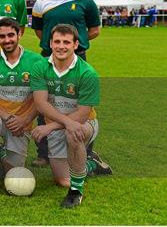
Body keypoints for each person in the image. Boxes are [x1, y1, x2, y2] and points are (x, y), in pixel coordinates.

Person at [30, 24, 112, 208]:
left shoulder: (87, 73)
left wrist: (50, 126)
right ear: (50, 43)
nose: (61, 46)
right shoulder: (40, 67)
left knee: (73, 133)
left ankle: (76, 192)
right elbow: (41, 104)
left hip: (84, 123)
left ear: (76, 45)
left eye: (66, 42)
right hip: (60, 124)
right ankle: (91, 164)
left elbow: (83, 114)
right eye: (57, 41)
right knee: (62, 180)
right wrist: (58, 124)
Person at [31, 0, 101, 167]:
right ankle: (44, 153)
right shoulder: (42, 2)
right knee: (45, 103)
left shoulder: (86, 1)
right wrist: (57, 47)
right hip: (48, 58)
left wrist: (72, 46)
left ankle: (86, 150)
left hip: (77, 57)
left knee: (79, 104)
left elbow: (94, 30)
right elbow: (39, 31)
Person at [0, 17, 42, 198]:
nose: (7, 40)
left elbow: (41, 100)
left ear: (20, 34)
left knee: (12, 174)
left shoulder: (36, 62)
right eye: (2, 36)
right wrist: (7, 117)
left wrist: (25, 120)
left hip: (22, 123)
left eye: (11, 35)